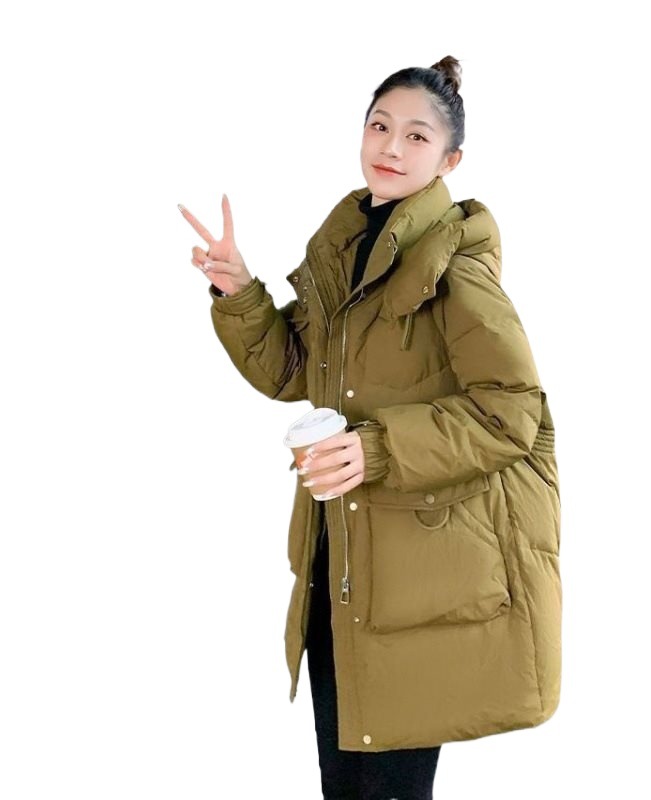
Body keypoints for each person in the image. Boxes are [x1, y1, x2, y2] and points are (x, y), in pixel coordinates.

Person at [179, 55, 561, 800]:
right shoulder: (349, 250)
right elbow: (295, 370)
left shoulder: (454, 267)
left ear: (449, 161)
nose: (390, 146)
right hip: (345, 559)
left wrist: (377, 449)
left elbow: (513, 411)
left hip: (419, 580)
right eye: (379, 126)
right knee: (346, 787)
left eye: (416, 136)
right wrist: (239, 292)